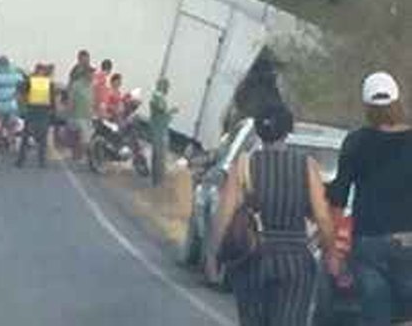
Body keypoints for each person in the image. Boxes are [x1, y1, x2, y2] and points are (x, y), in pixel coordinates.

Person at [208, 105, 336, 326]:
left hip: (253, 260)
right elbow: (323, 217)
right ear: (288, 131)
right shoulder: (306, 166)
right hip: (295, 262)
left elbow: (224, 214)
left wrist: (212, 255)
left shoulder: (244, 165)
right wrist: (331, 252)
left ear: (258, 132)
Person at [326, 72, 412, 326]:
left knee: (376, 316)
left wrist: (333, 251)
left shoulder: (356, 142)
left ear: (367, 106)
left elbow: (338, 198)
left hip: (367, 245)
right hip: (409, 243)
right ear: (398, 102)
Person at [19, 63, 56, 167]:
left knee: (26, 136)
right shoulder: (48, 82)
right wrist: (53, 113)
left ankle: (21, 161)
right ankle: (42, 161)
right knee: (42, 137)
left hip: (32, 109)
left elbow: (22, 91)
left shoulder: (30, 81)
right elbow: (52, 99)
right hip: (43, 110)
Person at [148, 78, 177, 186]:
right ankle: (158, 180)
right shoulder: (158, 96)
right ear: (163, 86)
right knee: (160, 156)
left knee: (157, 155)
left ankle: (156, 179)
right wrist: (171, 111)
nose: (168, 89)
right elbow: (161, 110)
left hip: (159, 128)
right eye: (167, 86)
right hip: (159, 130)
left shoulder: (158, 96)